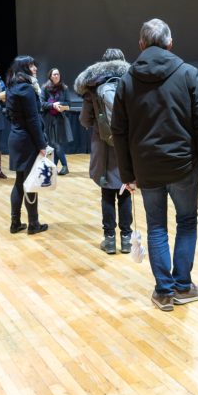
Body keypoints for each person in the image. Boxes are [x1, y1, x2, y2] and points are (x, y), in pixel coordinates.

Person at [111, 18, 198, 312]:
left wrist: (128, 172)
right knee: (187, 222)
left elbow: (117, 131)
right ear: (170, 44)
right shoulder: (189, 74)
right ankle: (183, 287)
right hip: (184, 166)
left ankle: (164, 292)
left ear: (141, 45)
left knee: (157, 227)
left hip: (146, 168)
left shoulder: (127, 80)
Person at [74, 48, 132, 254]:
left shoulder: (93, 86)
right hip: (126, 146)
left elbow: (83, 120)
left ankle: (109, 240)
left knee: (107, 193)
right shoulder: (132, 82)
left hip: (102, 146)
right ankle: (127, 239)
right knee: (125, 191)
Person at [6, 56, 49, 235]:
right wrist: (42, 144)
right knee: (30, 183)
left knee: (19, 182)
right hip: (28, 141)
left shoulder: (12, 87)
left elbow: (9, 114)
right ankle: (33, 224)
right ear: (24, 68)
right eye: (32, 65)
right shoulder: (27, 89)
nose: (35, 68)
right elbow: (33, 120)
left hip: (16, 138)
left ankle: (15, 223)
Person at [40, 67, 74, 175]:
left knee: (56, 143)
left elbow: (69, 103)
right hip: (49, 119)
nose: (56, 76)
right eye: (54, 74)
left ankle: (63, 166)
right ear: (50, 76)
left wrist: (61, 105)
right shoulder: (45, 88)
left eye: (58, 74)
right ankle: (57, 166)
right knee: (52, 143)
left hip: (60, 119)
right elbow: (41, 103)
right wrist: (52, 105)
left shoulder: (64, 88)